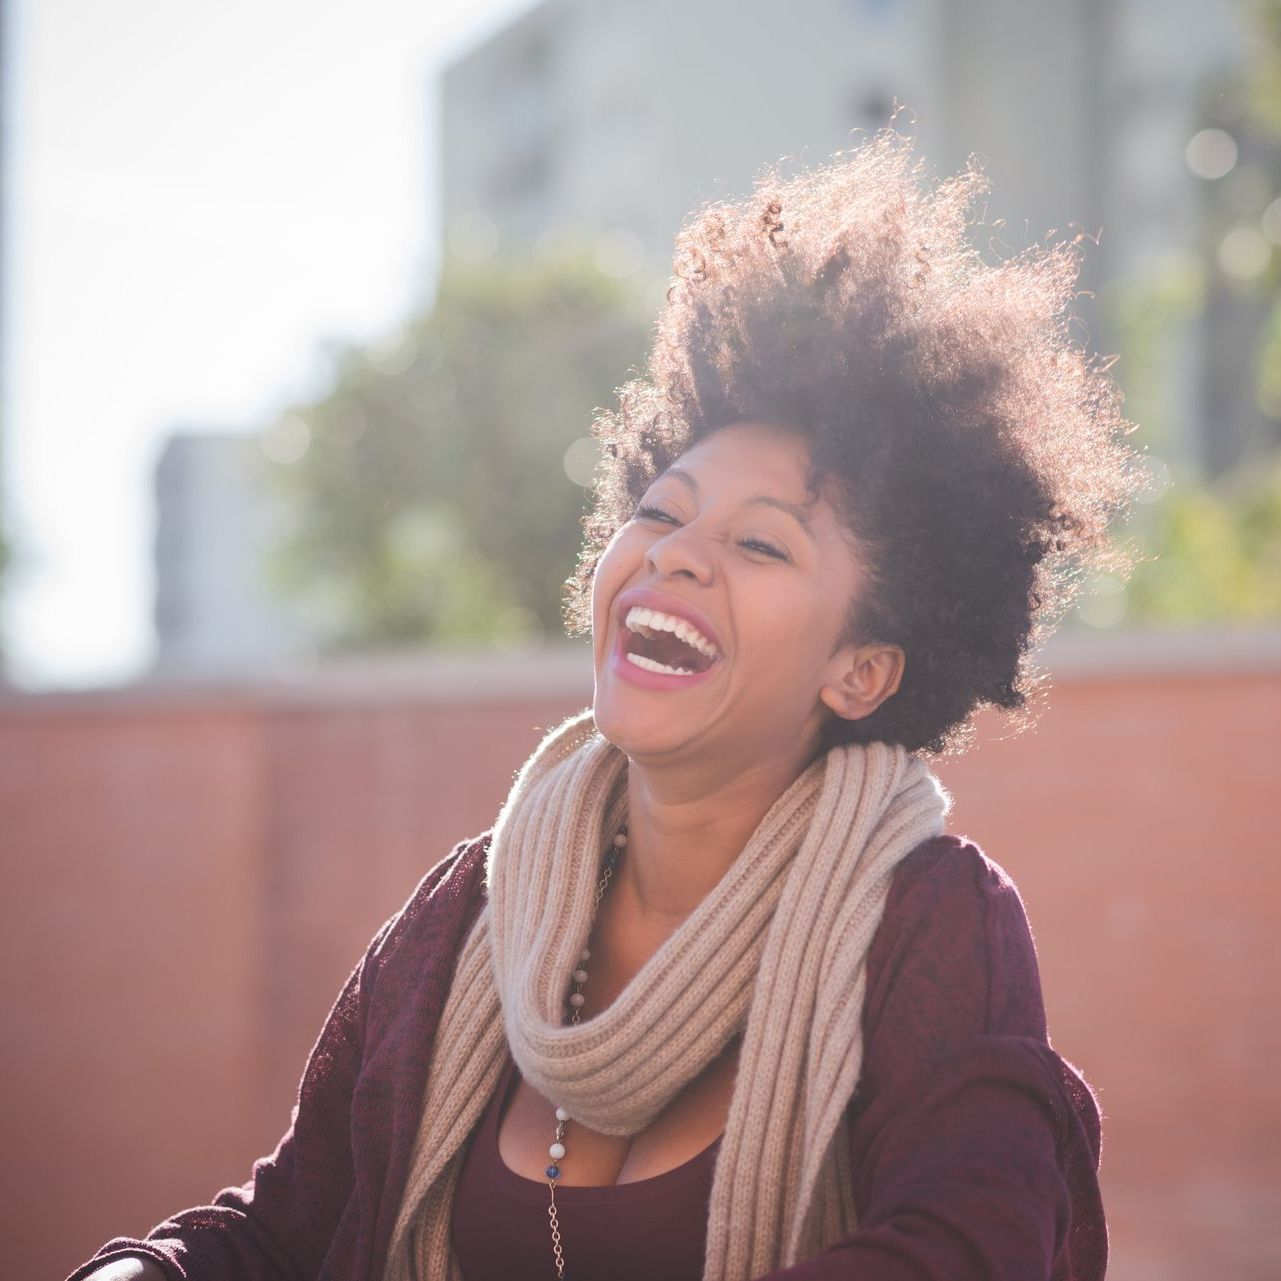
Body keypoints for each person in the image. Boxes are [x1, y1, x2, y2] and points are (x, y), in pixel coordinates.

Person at [70, 131, 1142, 1281]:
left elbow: (968, 1248)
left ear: (862, 669)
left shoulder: (930, 926)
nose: (676, 557)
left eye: (761, 544)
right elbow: (280, 1230)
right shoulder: (467, 920)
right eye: (662, 511)